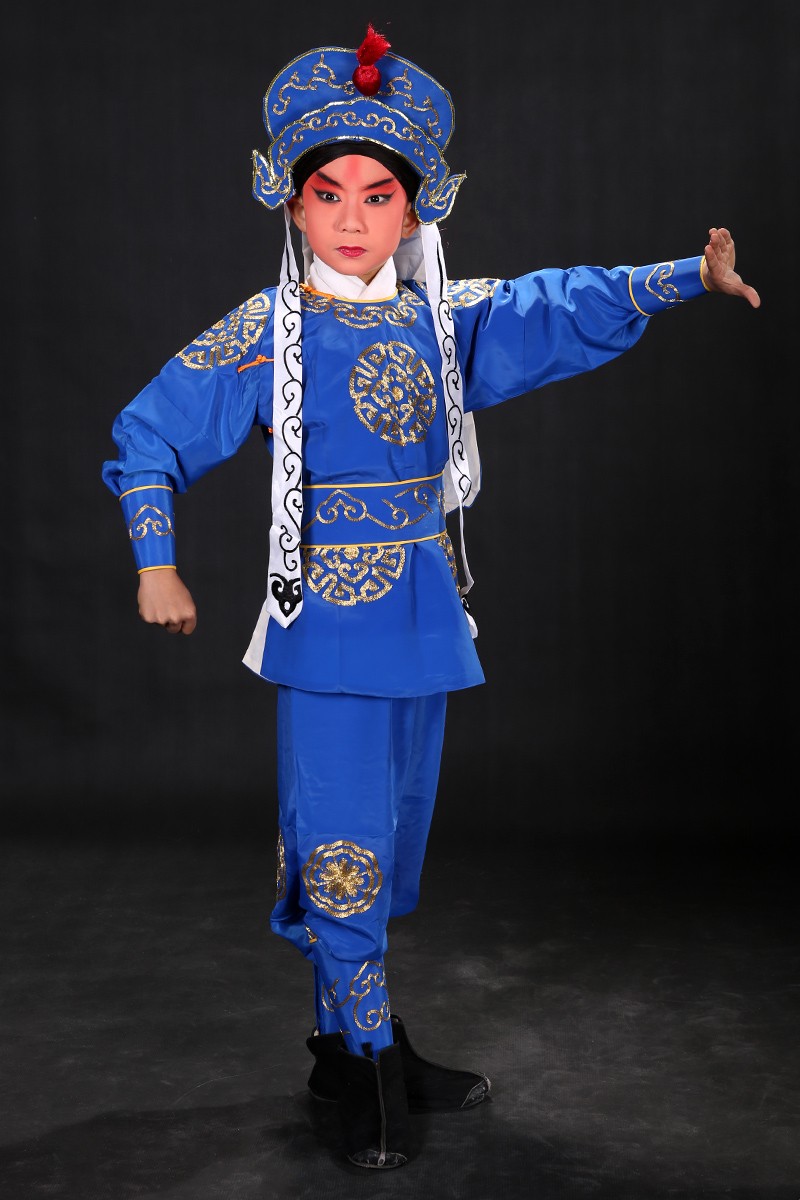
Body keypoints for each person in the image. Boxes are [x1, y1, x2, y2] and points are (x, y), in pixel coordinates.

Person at [101, 24, 760, 1170]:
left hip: (419, 609)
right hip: (325, 626)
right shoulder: (270, 332)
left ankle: (349, 1046)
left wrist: (682, 279)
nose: (352, 219)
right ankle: (363, 1065)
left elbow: (556, 305)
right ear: (291, 204)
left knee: (385, 844)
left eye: (377, 196)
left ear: (414, 210)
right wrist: (156, 563)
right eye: (328, 194)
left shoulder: (439, 319)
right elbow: (148, 436)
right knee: (340, 846)